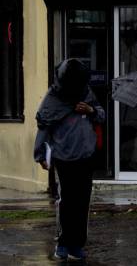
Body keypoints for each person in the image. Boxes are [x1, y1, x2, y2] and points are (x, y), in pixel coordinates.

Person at [34, 58, 105, 260]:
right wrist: (39, 154)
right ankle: (63, 242)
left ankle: (77, 244)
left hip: (86, 155)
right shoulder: (53, 98)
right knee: (67, 201)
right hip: (64, 157)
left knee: (82, 201)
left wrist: (90, 110)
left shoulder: (86, 92)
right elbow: (44, 125)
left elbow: (101, 115)